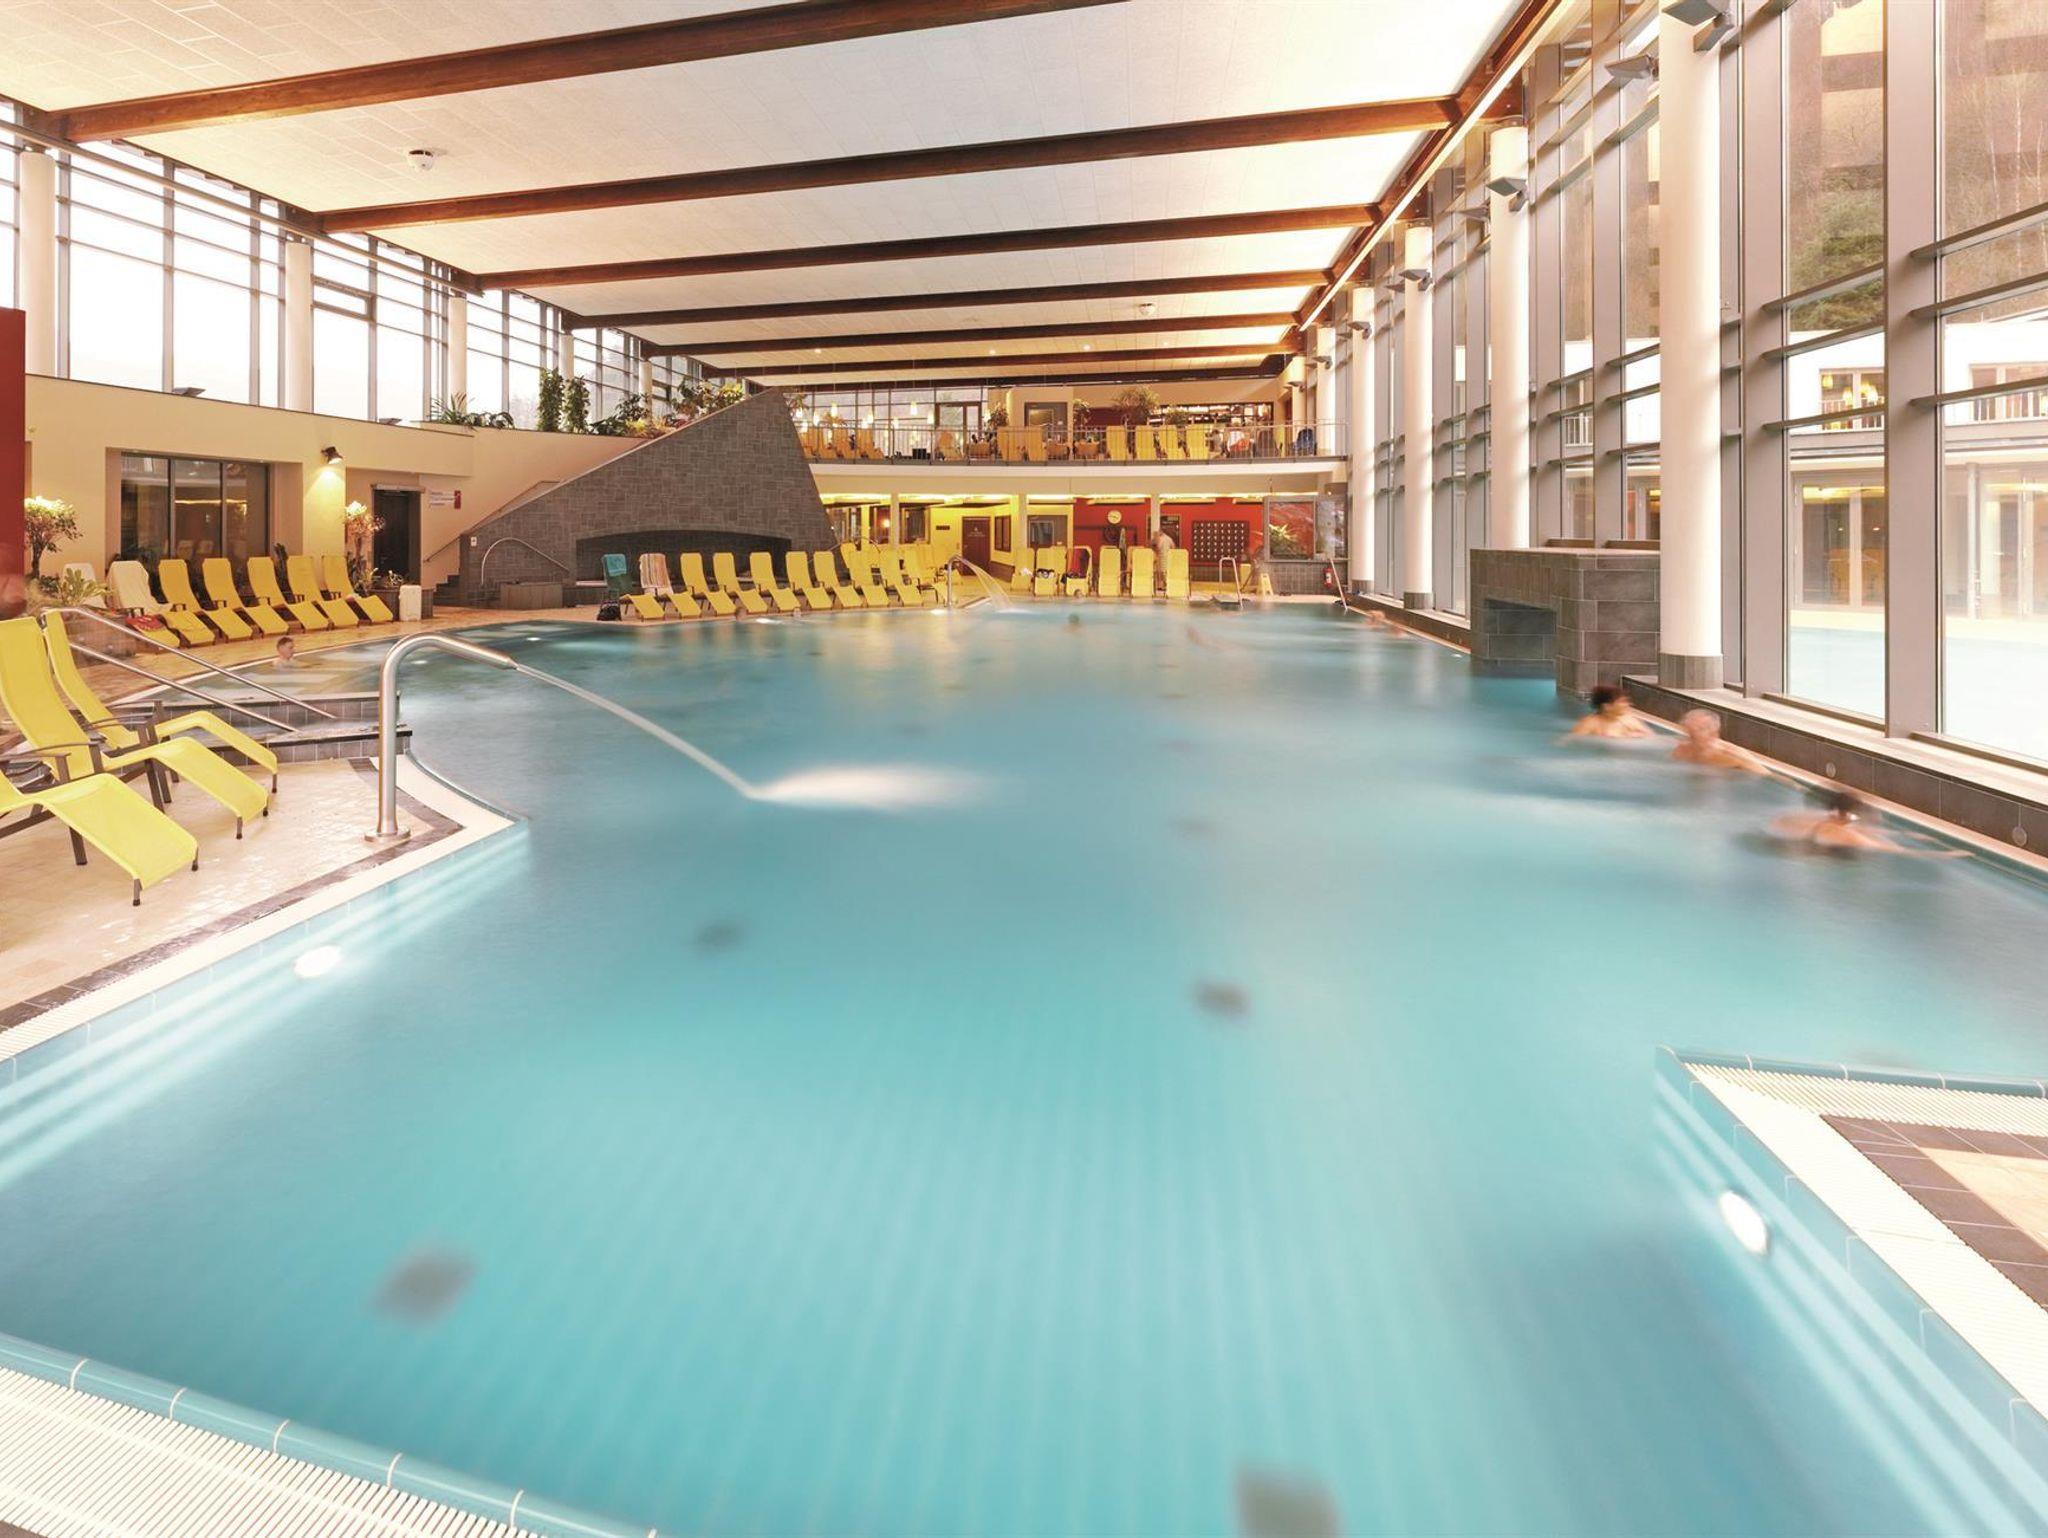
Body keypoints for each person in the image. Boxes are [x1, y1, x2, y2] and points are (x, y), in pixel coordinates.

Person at [1770, 789, 1968, 857]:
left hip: (1804, 846)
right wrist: (1947, 854)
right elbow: (1895, 850)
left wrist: (1905, 834)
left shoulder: (1824, 821)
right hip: (1824, 855)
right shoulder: (1844, 834)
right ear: (1849, 814)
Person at [1670, 708, 1769, 773]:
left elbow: (1767, 778)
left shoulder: (1733, 755)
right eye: (1689, 733)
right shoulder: (1682, 750)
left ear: (1713, 733)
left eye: (1697, 731)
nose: (1690, 737)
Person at [1567, 684, 1652, 739]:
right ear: (1607, 706)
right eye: (1622, 702)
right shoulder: (1590, 723)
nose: (1627, 704)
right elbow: (1570, 741)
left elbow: (1652, 738)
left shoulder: (1630, 720)